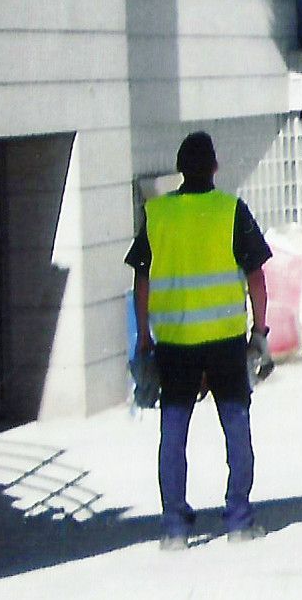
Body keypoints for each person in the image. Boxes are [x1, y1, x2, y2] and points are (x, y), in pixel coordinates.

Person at [126, 132, 273, 550]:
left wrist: (143, 340)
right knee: (236, 427)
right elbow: (256, 276)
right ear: (214, 167)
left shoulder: (157, 215)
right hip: (225, 341)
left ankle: (174, 528)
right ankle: (239, 521)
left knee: (173, 432)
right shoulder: (230, 210)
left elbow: (142, 281)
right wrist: (259, 331)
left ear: (180, 169)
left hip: (174, 343)